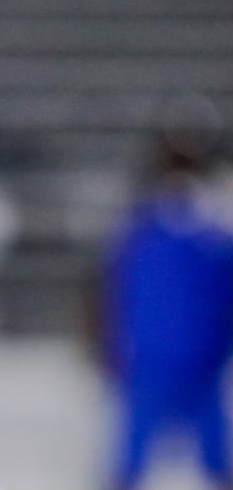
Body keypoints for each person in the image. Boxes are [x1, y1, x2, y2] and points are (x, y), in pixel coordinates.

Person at [92, 98, 233, 490]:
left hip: (195, 356)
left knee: (213, 456)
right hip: (153, 355)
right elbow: (113, 284)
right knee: (132, 457)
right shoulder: (142, 215)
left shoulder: (216, 214)